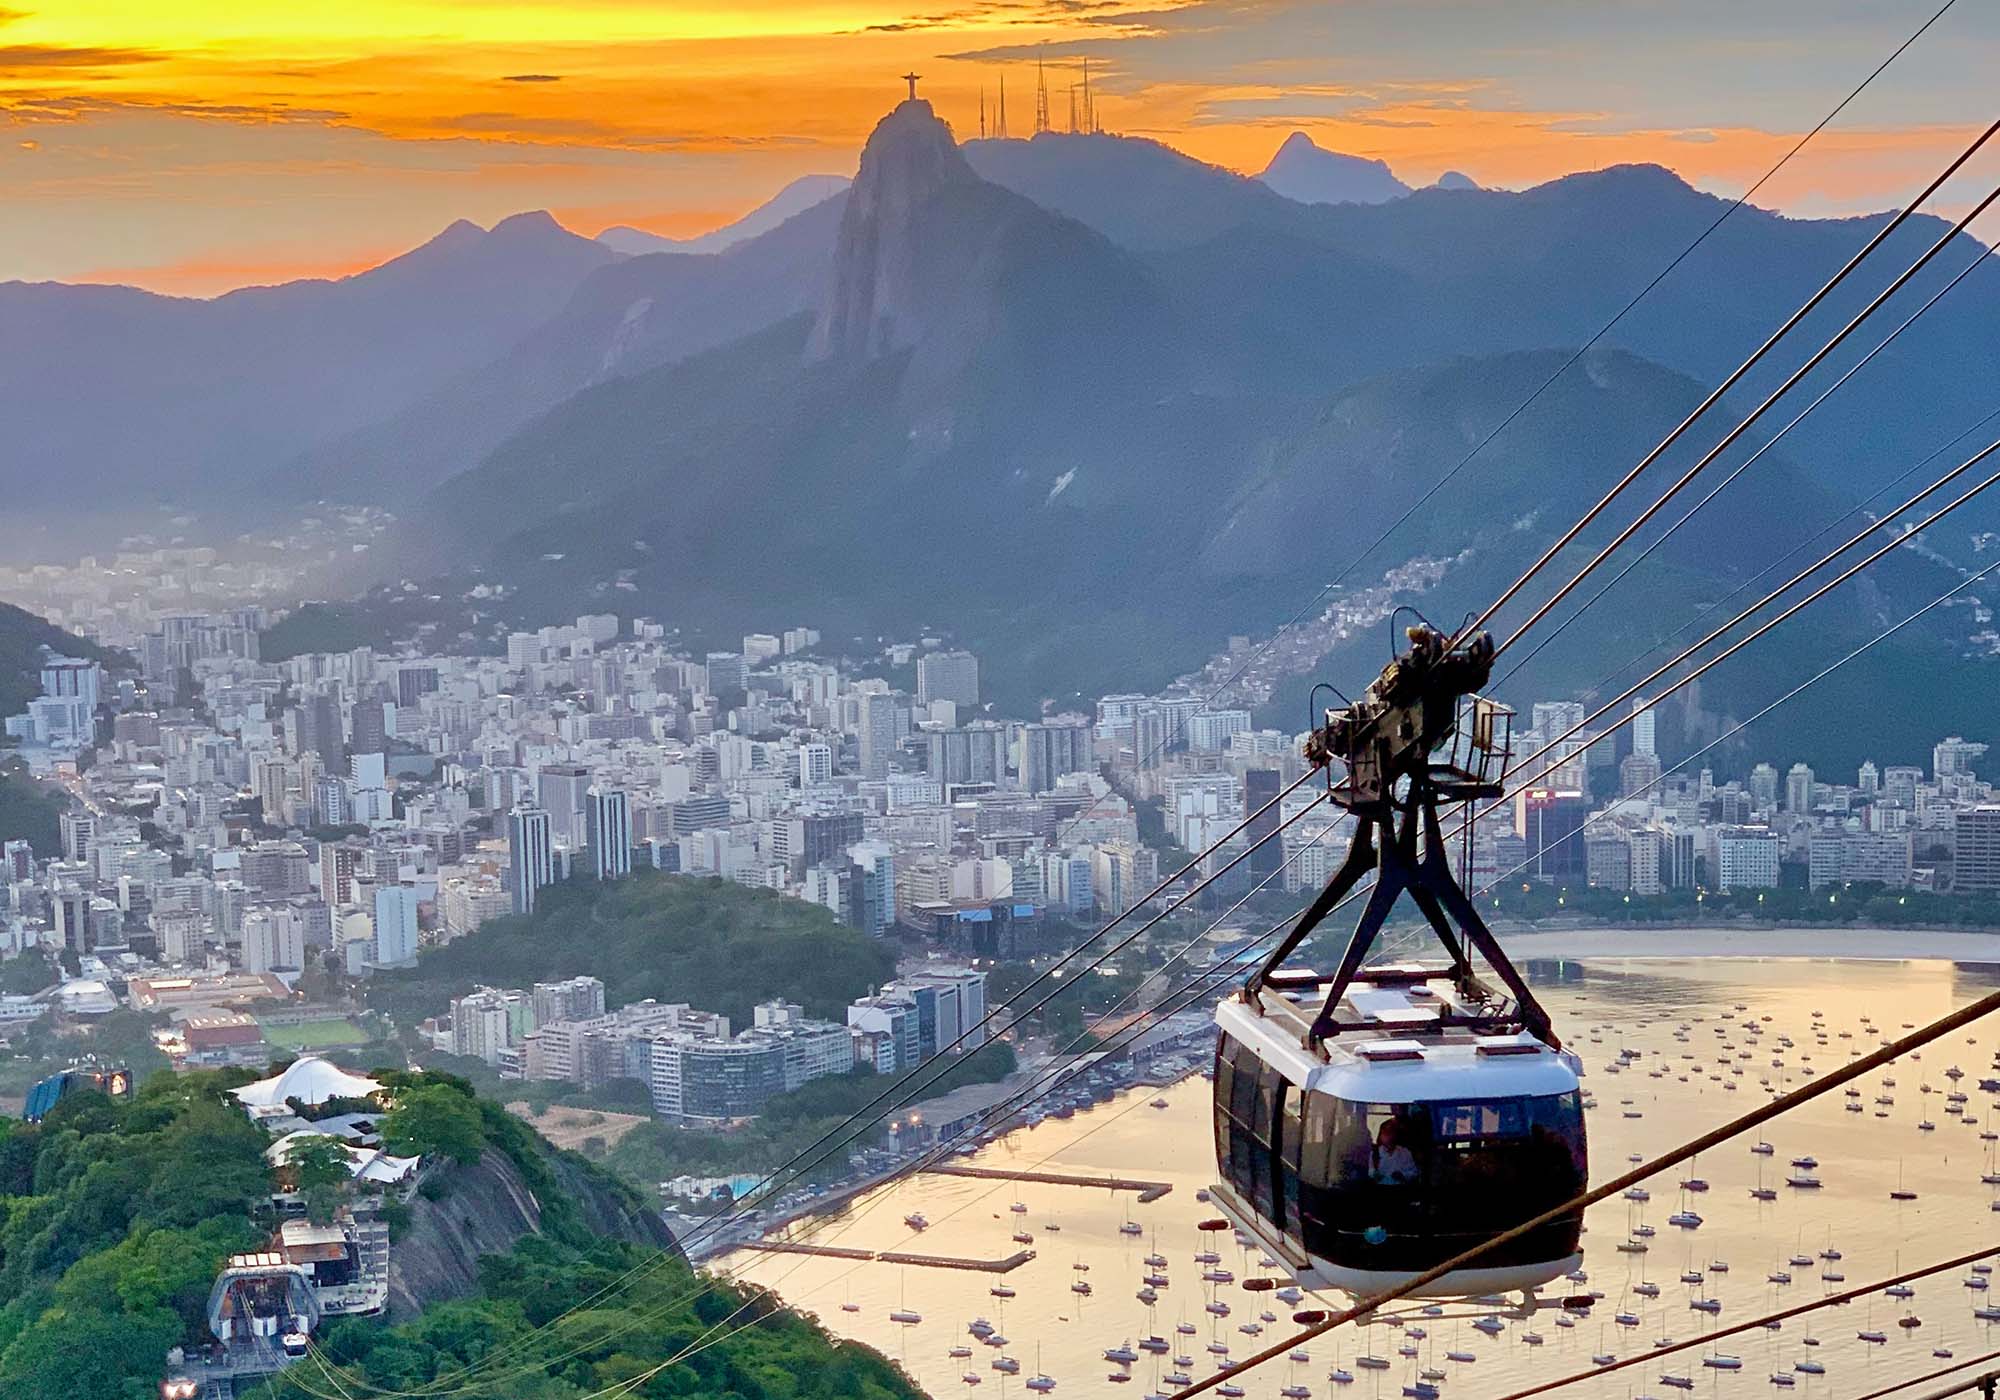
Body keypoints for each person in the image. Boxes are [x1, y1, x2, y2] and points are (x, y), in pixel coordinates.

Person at [1372, 1117, 1419, 1185]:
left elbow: (1414, 1172)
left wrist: (1403, 1175)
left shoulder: (1405, 1152)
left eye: (1390, 1132)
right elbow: (1370, 1171)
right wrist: (1374, 1174)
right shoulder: (1375, 1152)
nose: (1388, 1135)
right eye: (1385, 1132)